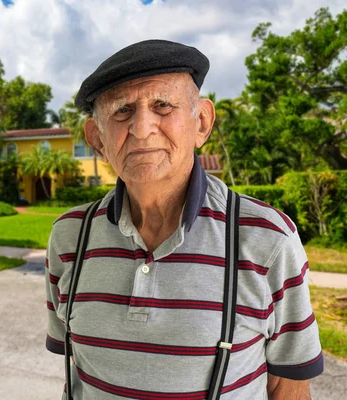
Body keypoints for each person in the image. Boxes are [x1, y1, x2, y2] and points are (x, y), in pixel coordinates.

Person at [45, 39, 323, 399]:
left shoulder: (267, 238)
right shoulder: (70, 237)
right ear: (97, 138)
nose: (142, 128)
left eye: (162, 105)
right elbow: (76, 370)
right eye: (122, 111)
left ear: (202, 122)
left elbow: (289, 385)